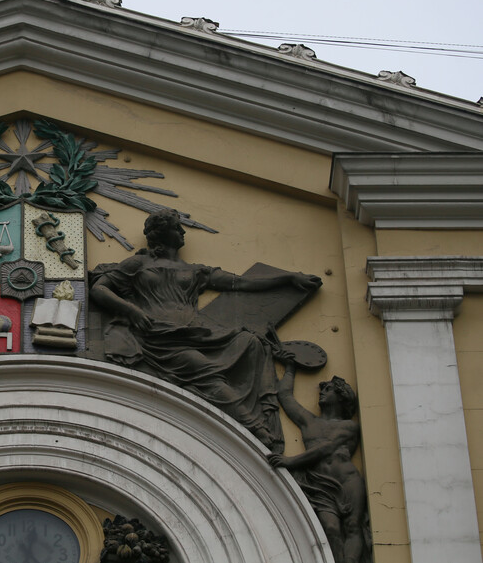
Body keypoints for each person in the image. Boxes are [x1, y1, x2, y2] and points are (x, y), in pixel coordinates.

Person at [89, 208, 321, 451]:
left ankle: (258, 418)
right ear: (160, 232)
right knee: (204, 369)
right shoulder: (138, 263)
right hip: (159, 338)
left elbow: (240, 283)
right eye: (175, 226)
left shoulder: (195, 271)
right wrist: (131, 310)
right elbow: (99, 289)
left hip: (195, 334)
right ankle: (255, 428)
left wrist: (288, 278)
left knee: (251, 342)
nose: (181, 231)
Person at [267, 364, 370, 563]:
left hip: (347, 481)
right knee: (330, 528)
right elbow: (285, 397)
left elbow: (325, 449)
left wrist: (290, 461)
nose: (321, 392)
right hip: (319, 485)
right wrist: (290, 369)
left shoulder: (349, 426)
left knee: (352, 527)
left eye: (328, 389)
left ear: (341, 396)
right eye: (322, 388)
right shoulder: (309, 421)